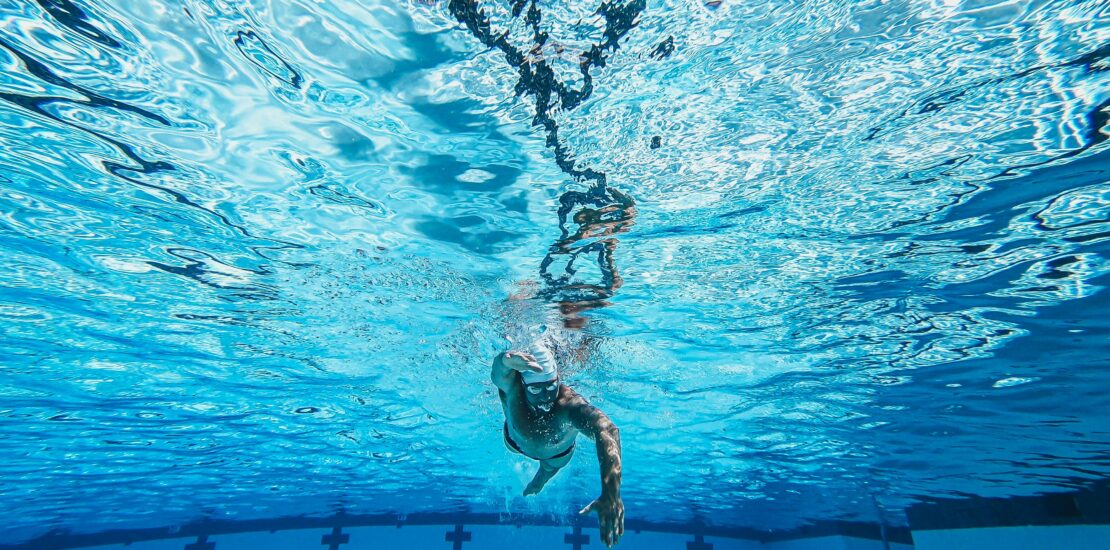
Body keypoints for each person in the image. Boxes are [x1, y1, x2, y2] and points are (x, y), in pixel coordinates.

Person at [491, 339, 624, 547]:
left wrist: (611, 492)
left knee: (548, 469)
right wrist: (504, 361)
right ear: (524, 385)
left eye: (551, 386)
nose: (545, 396)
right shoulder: (513, 387)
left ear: (559, 378)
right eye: (535, 389)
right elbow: (498, 372)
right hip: (514, 442)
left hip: (555, 457)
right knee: (541, 464)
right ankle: (539, 480)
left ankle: (540, 480)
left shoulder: (569, 405)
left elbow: (607, 430)